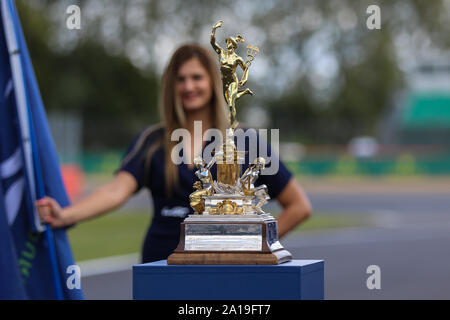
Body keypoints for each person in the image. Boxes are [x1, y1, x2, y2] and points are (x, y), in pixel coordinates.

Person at [37, 43, 312, 263]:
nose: (188, 86)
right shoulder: (152, 141)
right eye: (181, 79)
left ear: (214, 82)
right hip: (160, 265)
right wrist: (66, 215)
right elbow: (115, 191)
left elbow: (299, 206)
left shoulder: (243, 140)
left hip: (223, 273)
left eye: (196, 77)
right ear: (171, 85)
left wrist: (251, 247)